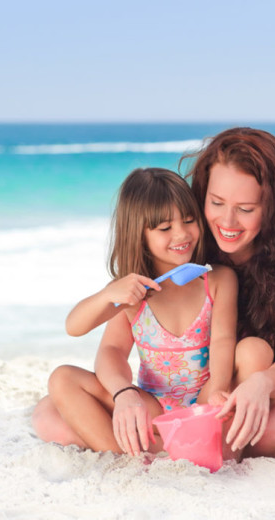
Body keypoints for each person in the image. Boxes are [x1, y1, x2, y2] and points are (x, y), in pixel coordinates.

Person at [32, 167, 238, 456]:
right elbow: (96, 341)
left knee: (52, 416)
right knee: (61, 380)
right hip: (151, 406)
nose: (182, 233)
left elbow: (223, 340)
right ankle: (126, 456)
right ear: (138, 235)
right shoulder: (130, 293)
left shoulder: (217, 280)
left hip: (203, 402)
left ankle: (149, 448)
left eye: (189, 221)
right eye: (165, 228)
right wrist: (124, 393)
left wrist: (216, 390)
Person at [184, 127, 275, 458]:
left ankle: (212, 447)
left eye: (246, 209)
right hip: (187, 393)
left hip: (245, 397)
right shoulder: (186, 241)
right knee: (48, 416)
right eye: (216, 202)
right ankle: (212, 445)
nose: (227, 221)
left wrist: (261, 384)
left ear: (273, 208)